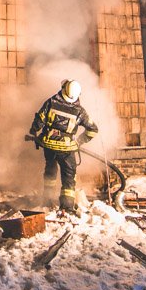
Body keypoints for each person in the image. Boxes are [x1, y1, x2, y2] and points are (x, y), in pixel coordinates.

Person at [28, 79, 98, 215]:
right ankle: (67, 207)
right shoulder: (79, 111)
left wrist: (34, 131)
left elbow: (39, 120)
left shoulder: (51, 102)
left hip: (49, 145)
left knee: (50, 171)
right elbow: (93, 129)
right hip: (67, 148)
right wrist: (79, 141)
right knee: (68, 178)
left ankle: (47, 201)